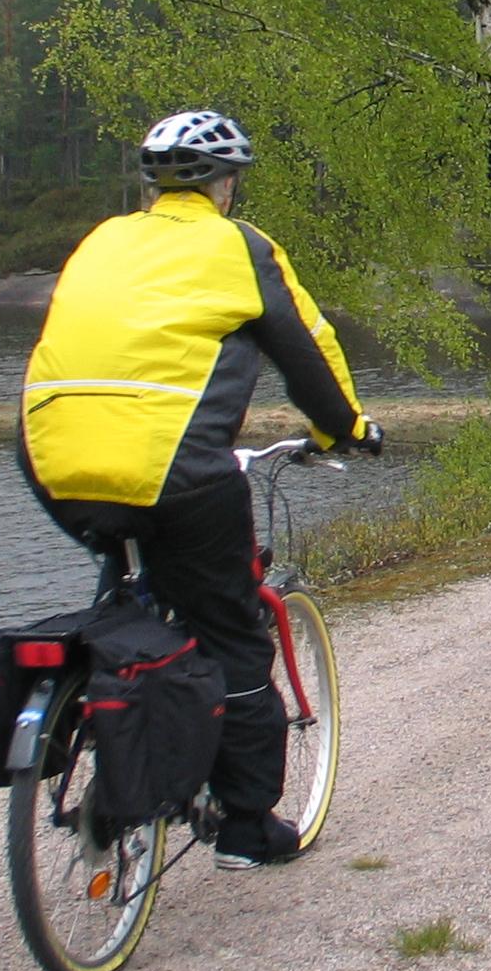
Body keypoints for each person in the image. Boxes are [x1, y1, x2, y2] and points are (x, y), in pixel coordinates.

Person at [19, 109, 381, 870]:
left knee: (131, 590)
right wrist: (345, 429)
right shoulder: (240, 247)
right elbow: (306, 348)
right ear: (227, 183)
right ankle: (248, 828)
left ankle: (110, 706)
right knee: (235, 632)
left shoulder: (101, 240)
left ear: (152, 185)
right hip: (173, 469)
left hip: (49, 455)